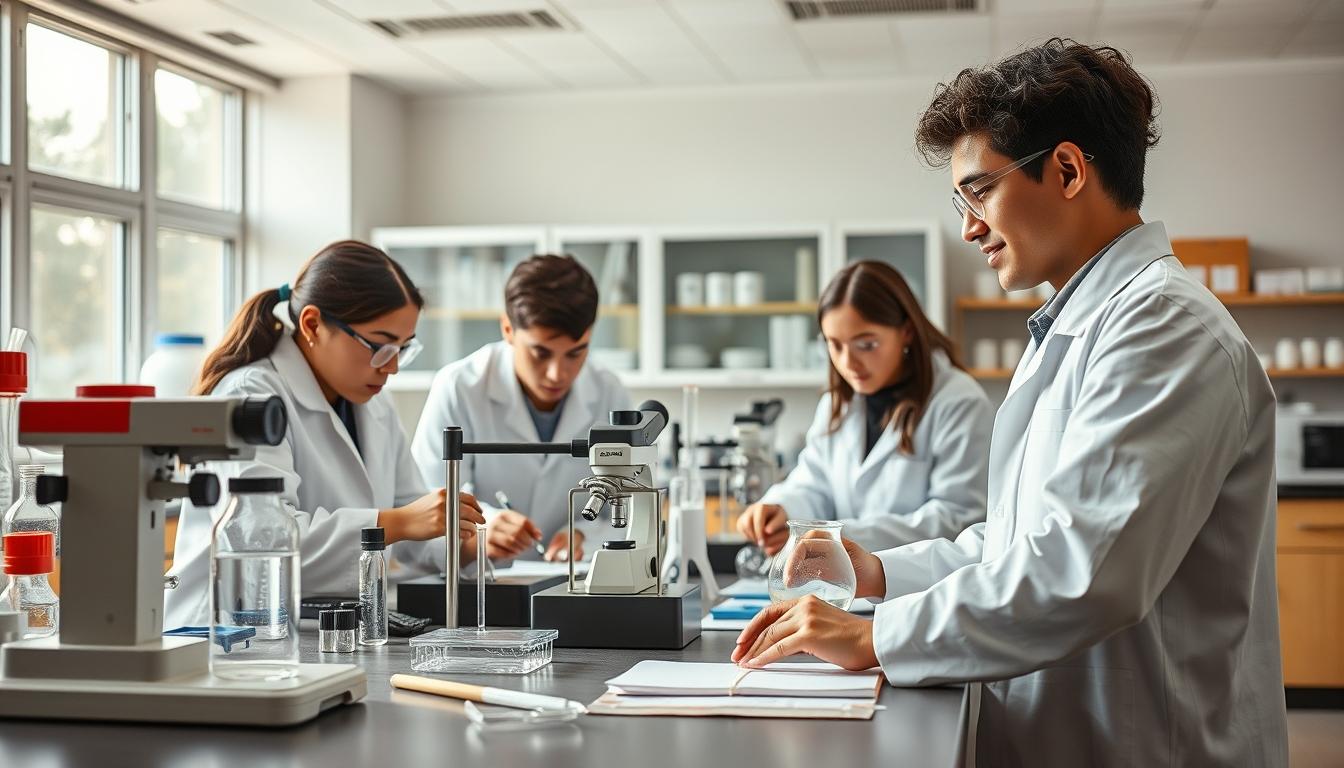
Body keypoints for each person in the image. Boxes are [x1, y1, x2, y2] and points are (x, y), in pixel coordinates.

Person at [732, 39, 1287, 766]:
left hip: (1149, 742)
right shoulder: (1076, 326)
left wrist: (875, 636)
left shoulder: (1163, 325)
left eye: (980, 191)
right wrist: (876, 573)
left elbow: (1081, 573)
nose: (969, 226)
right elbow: (1014, 542)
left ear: (1066, 170)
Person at [165, 241, 485, 628]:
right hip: (227, 634)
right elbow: (262, 540)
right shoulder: (251, 395)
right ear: (313, 324)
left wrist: (463, 542)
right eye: (380, 346)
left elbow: (410, 510)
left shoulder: (373, 404)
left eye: (403, 348)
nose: (393, 367)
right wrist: (395, 523)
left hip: (322, 632)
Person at [737, 261, 991, 554]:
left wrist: (838, 536)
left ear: (906, 332)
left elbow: (956, 519)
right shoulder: (837, 404)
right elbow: (814, 483)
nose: (848, 363)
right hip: (842, 586)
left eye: (866, 345)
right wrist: (782, 508)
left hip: (921, 589)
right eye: (834, 345)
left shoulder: (958, 402)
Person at [412, 254, 630, 563]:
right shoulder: (458, 387)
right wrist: (479, 536)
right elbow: (421, 524)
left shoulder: (609, 391)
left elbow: (630, 509)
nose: (558, 373)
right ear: (508, 329)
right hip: (485, 590)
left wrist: (584, 535)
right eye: (540, 353)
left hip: (575, 587)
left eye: (576, 352)